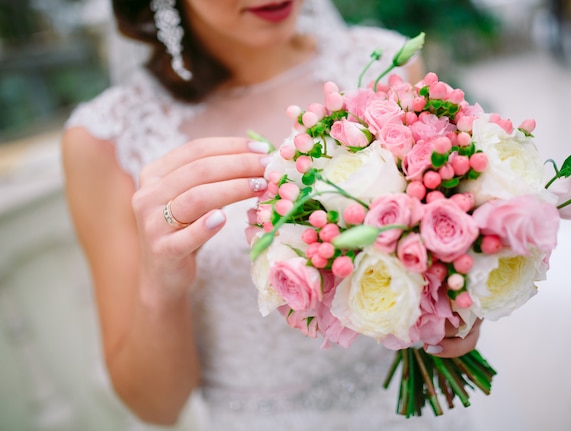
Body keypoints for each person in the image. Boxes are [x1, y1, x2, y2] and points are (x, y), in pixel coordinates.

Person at [62, 0, 482, 429]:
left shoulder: (384, 64)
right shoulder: (106, 139)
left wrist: (459, 304)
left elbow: (455, 234)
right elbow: (155, 409)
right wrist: (161, 282)